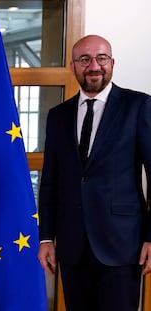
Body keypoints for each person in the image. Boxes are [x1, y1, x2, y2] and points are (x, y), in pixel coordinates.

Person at [38, 34, 151, 311]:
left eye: (101, 58)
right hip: (73, 246)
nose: (94, 66)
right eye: (85, 59)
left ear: (112, 62)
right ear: (73, 65)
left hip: (124, 246)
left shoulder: (139, 106)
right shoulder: (58, 115)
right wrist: (45, 238)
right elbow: (50, 181)